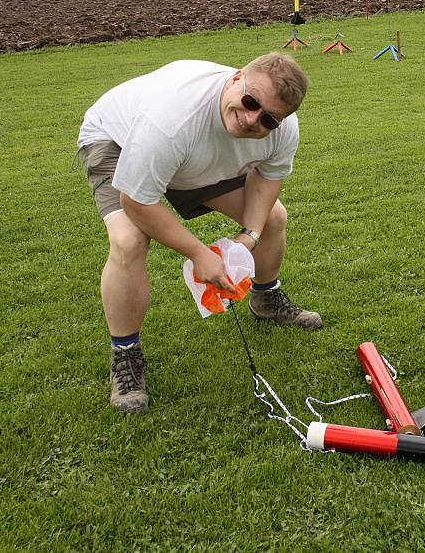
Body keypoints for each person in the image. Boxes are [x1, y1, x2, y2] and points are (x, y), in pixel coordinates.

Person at [78, 52, 322, 414]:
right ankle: (126, 355)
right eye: (250, 101)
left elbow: (270, 177)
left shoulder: (282, 129)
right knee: (129, 240)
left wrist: (249, 236)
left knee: (272, 218)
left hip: (190, 157)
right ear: (237, 78)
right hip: (118, 140)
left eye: (268, 118)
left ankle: (266, 299)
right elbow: (137, 201)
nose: (253, 118)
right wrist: (198, 253)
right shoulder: (171, 120)